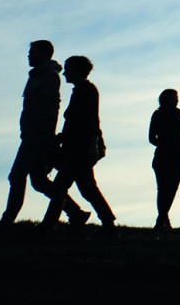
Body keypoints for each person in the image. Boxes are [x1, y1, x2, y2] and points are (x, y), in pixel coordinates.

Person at [0, 41, 89, 225]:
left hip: (37, 134)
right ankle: (76, 212)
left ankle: (8, 219)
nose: (29, 56)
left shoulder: (48, 76)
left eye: (32, 52)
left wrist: (44, 135)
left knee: (17, 175)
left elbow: (50, 108)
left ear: (43, 54)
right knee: (39, 180)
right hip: (33, 133)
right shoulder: (38, 75)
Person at [39, 55, 116, 231]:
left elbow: (88, 121)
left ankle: (47, 226)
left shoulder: (86, 90)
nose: (65, 73)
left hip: (77, 149)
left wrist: (91, 144)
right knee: (88, 189)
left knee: (60, 188)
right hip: (77, 147)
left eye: (68, 69)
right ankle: (109, 224)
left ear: (76, 70)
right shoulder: (84, 90)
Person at [148, 88, 180, 229]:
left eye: (177, 97)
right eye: (174, 97)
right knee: (164, 189)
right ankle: (162, 220)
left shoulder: (179, 116)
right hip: (163, 155)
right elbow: (152, 137)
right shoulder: (158, 115)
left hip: (177, 155)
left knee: (171, 188)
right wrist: (166, 144)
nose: (176, 100)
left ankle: (162, 219)